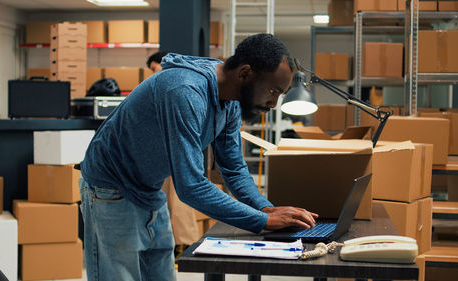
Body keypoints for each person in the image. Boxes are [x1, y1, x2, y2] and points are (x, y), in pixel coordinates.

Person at [79, 33, 319, 281]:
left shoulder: (231, 100)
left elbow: (233, 168)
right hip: (109, 190)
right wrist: (262, 221)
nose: (273, 103)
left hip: (148, 189)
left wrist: (266, 208)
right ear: (245, 73)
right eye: (272, 90)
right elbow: (191, 186)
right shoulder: (185, 91)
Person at [147, 50, 201, 258]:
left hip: (176, 147)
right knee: (168, 199)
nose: (153, 73)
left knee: (178, 198)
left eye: (154, 68)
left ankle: (185, 245)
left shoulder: (174, 84)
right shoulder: (168, 84)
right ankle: (175, 244)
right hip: (165, 148)